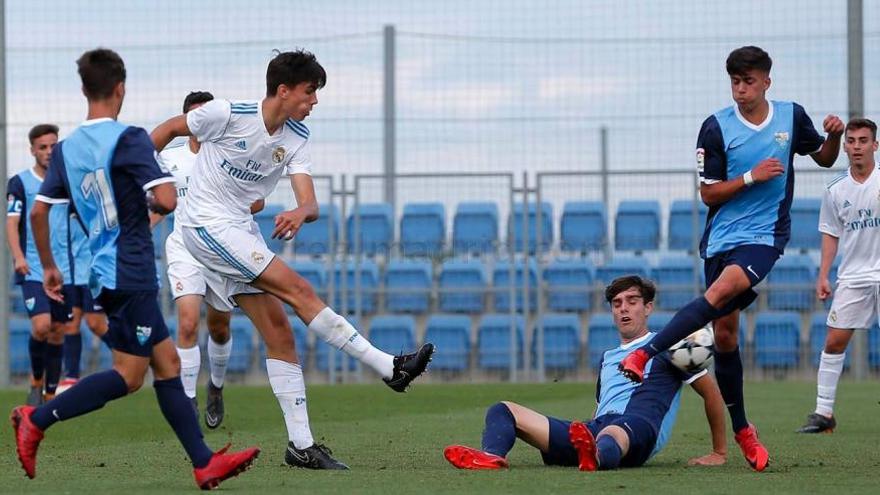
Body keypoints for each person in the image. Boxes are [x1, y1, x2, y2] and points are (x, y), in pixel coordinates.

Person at [151, 49, 434, 470]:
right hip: (204, 226)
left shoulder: (297, 136)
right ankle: (388, 366)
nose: (314, 101)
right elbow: (168, 129)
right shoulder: (228, 114)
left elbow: (310, 202)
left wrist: (300, 212)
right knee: (298, 290)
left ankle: (301, 446)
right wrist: (141, 177)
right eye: (309, 91)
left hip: (239, 230)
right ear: (283, 91)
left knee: (281, 331)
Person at [10, 47, 259, 489]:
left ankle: (203, 462)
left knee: (164, 365)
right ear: (121, 88)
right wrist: (136, 203)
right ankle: (37, 418)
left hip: (102, 271)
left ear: (85, 89)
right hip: (131, 268)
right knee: (129, 376)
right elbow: (166, 199)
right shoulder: (130, 139)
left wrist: (48, 266)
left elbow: (38, 214)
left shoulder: (66, 150)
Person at [618, 45, 844, 472]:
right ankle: (742, 431)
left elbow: (826, 158)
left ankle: (644, 354)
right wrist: (750, 176)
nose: (741, 91)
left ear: (766, 82)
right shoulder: (716, 128)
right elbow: (708, 193)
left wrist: (832, 135)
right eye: (735, 82)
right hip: (721, 239)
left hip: (765, 237)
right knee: (724, 338)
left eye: (748, 82)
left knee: (724, 290)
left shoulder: (790, 117)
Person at [444, 276, 727, 472]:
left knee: (612, 432)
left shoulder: (670, 345)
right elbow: (601, 407)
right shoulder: (607, 359)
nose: (624, 308)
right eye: (617, 303)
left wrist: (719, 452)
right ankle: (492, 457)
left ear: (648, 307)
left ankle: (596, 455)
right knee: (503, 410)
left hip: (639, 428)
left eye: (632, 301)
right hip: (595, 430)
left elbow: (710, 391)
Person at [152, 91, 246, 429]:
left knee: (219, 327)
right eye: (194, 116)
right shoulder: (171, 158)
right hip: (184, 248)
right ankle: (188, 400)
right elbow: (161, 201)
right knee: (188, 322)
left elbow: (257, 201)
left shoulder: (229, 155)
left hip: (220, 249)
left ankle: (216, 387)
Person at [798, 118, 880, 434]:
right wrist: (823, 275)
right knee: (833, 341)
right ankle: (823, 414)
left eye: (863, 141)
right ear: (845, 145)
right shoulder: (835, 190)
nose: (856, 147)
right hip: (853, 277)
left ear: (875, 145)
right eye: (851, 141)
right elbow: (831, 234)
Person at [6, 124, 73, 405]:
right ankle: (35, 380)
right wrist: (19, 256)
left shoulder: (67, 181)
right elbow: (12, 222)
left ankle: (49, 393)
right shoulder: (20, 183)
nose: (48, 152)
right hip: (33, 268)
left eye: (53, 146)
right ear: (32, 150)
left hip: (66, 270)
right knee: (42, 326)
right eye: (42, 147)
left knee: (58, 331)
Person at [60, 209, 110, 388]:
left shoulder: (90, 201)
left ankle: (126, 353)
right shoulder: (58, 202)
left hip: (92, 271)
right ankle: (71, 376)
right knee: (70, 323)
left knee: (95, 323)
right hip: (69, 272)